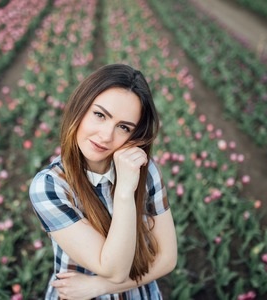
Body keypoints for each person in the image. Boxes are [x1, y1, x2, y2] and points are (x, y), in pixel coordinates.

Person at [29, 64, 177, 299]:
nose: (106, 136)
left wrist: (99, 286)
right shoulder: (50, 186)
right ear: (80, 108)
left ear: (135, 135)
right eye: (100, 115)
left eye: (123, 127)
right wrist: (124, 195)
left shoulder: (145, 172)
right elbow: (114, 269)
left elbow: (167, 259)